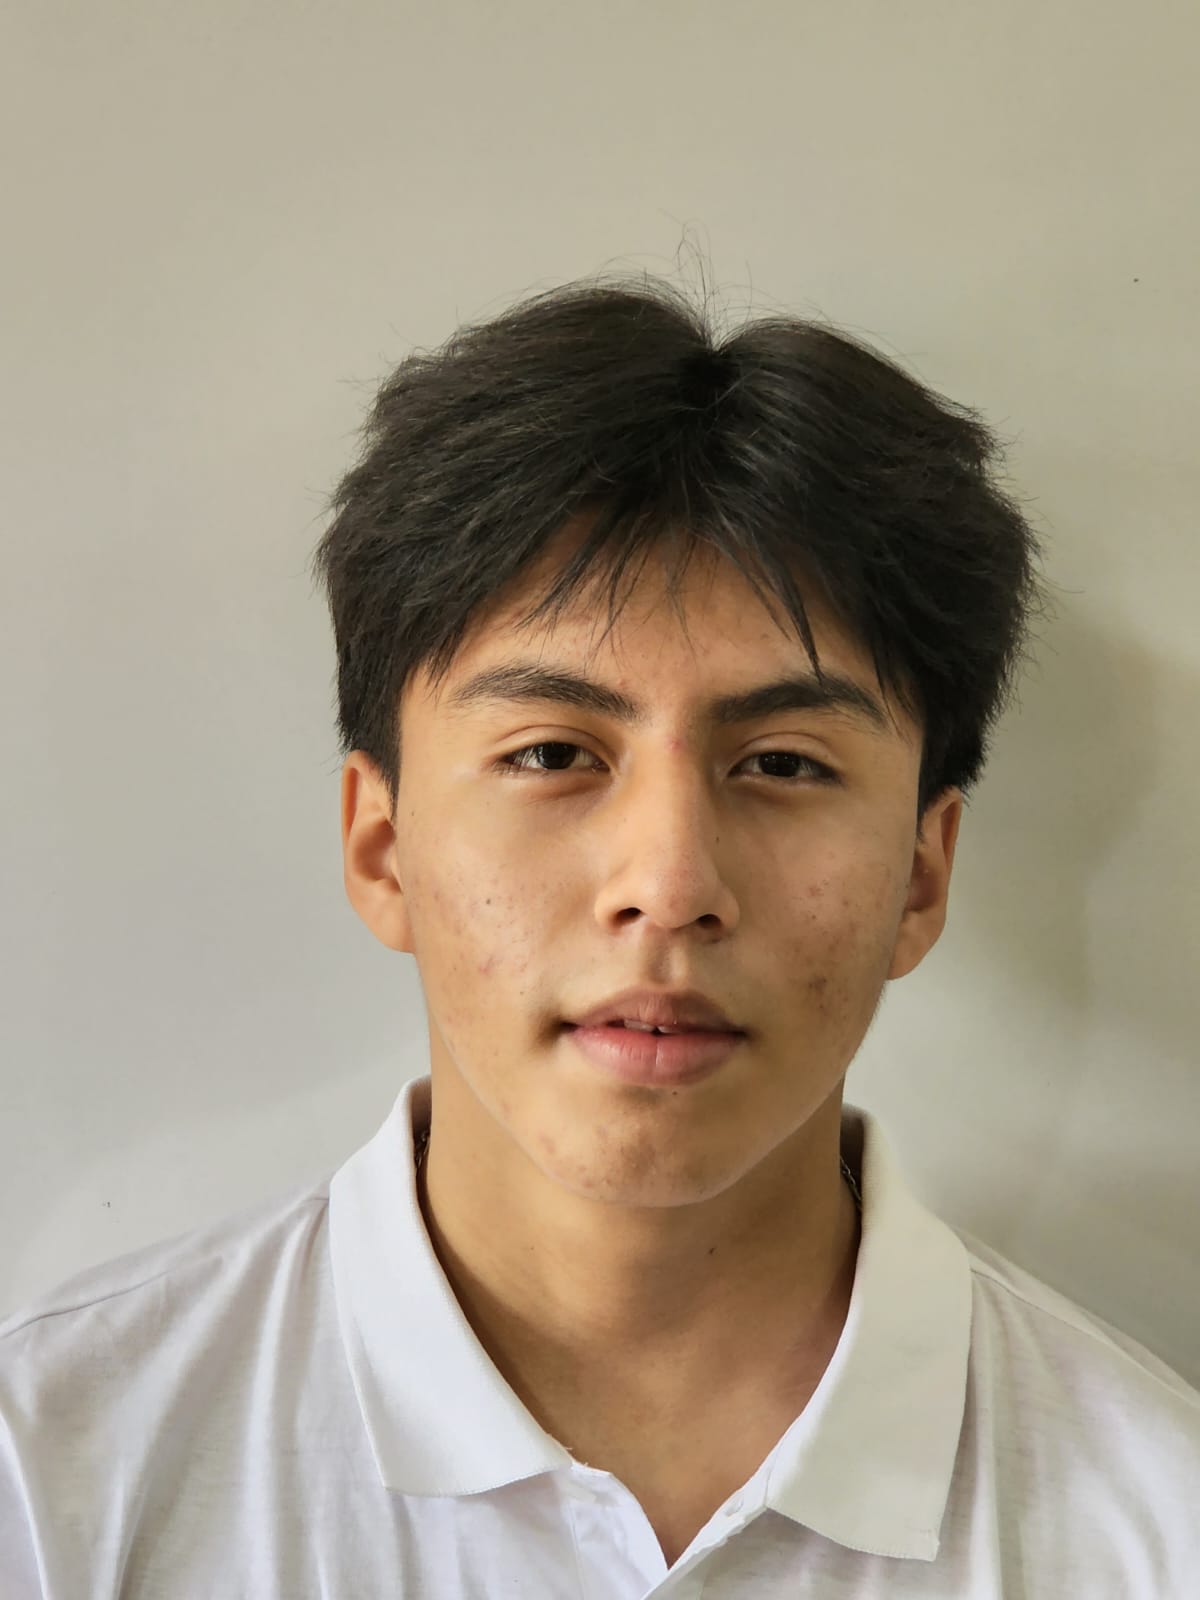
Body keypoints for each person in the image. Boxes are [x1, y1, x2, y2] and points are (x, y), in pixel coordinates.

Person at [2, 273, 1197, 1597]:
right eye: (553, 753)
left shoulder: (1160, 1527)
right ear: (382, 846)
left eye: (785, 764)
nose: (669, 885)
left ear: (922, 874)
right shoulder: (55, 1476)